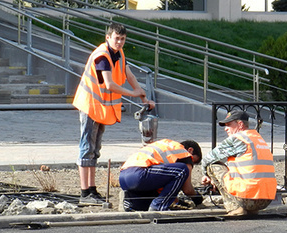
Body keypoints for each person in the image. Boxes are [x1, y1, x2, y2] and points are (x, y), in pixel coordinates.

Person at [72, 22, 155, 205]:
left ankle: (91, 190)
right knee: (87, 148)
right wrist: (134, 94)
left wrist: (143, 97)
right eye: (117, 38)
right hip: (90, 106)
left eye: (123, 39)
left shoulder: (119, 54)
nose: (120, 42)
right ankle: (85, 192)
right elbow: (109, 84)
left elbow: (129, 75)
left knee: (94, 149)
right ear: (108, 37)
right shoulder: (102, 57)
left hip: (100, 107)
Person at [201, 110, 277, 216]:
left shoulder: (237, 139)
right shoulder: (258, 139)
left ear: (240, 124)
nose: (226, 128)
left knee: (212, 166)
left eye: (229, 125)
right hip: (266, 199)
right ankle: (251, 210)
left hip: (247, 198)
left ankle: (235, 208)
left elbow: (207, 159)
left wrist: (206, 175)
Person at [119, 139, 204, 211]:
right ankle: (158, 207)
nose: (191, 164)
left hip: (124, 177)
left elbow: (163, 185)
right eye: (193, 162)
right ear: (190, 150)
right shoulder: (184, 154)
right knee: (182, 170)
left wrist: (175, 201)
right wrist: (197, 197)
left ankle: (131, 203)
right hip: (139, 174)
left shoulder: (167, 146)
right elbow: (187, 190)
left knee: (144, 206)